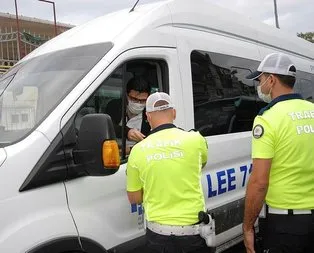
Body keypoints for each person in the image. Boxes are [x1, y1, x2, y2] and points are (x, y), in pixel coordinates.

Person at [243, 53, 314, 253]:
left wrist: (248, 226)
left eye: (260, 79)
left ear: (271, 80)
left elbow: (259, 182)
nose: (259, 85)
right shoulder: (312, 109)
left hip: (286, 225)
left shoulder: (267, 119)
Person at [126, 92, 210, 253]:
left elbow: (135, 198)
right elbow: (201, 164)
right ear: (174, 113)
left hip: (158, 237)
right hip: (194, 233)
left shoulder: (137, 151)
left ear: (148, 116)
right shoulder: (196, 139)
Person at [106, 76, 151, 142]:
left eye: (143, 100)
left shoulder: (150, 114)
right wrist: (127, 132)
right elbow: (108, 125)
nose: (138, 103)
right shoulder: (115, 106)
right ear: (126, 95)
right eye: (134, 99)